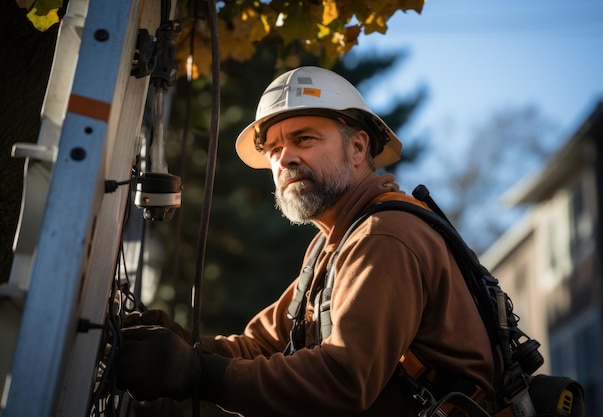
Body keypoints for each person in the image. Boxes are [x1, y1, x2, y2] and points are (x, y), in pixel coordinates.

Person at [115, 66, 496, 416]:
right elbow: (257, 348)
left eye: (304, 139)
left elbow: (342, 381)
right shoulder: (331, 247)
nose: (285, 160)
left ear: (358, 148)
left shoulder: (385, 235)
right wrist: (166, 338)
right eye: (274, 150)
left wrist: (197, 373)